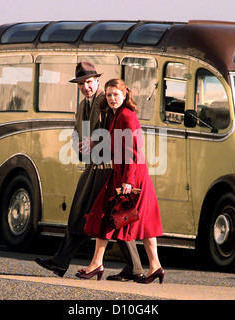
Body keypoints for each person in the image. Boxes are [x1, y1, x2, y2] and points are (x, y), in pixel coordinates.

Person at [35, 63, 144, 281]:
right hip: (93, 165)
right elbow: (81, 132)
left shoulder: (105, 101)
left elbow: (117, 134)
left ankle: (64, 261)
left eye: (89, 82)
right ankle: (133, 267)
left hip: (105, 168)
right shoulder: (84, 104)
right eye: (81, 84)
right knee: (102, 215)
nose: (86, 87)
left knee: (104, 214)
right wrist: (79, 146)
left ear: (96, 81)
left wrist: (96, 145)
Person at [76, 79, 164, 284]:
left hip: (129, 177)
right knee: (142, 222)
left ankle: (97, 264)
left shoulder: (126, 117)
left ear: (125, 96)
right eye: (108, 95)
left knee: (105, 215)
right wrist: (92, 143)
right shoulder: (118, 116)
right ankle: (155, 266)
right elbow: (112, 142)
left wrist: (127, 182)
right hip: (125, 175)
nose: (112, 98)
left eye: (116, 94)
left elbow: (133, 152)